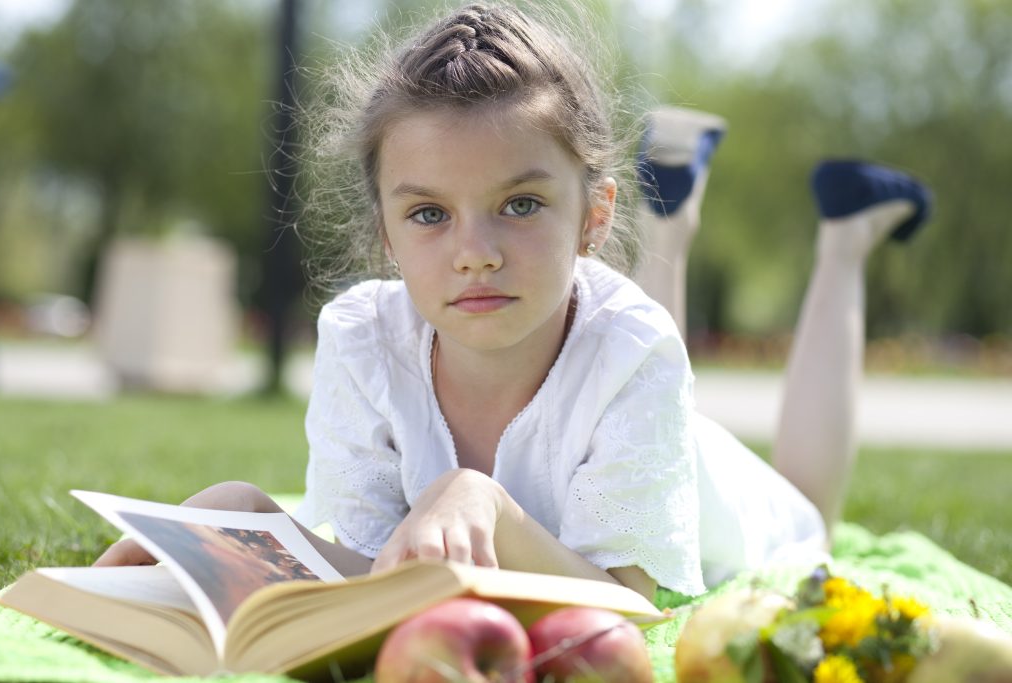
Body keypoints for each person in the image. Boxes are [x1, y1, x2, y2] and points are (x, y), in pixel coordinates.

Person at [95, 2, 931, 602]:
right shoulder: (362, 338)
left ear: (594, 216)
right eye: (429, 214)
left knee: (811, 518)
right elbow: (378, 575)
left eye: (520, 203)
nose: (476, 252)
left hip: (728, 496)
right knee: (624, 335)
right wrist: (254, 524)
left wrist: (487, 501)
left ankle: (844, 237)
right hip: (620, 392)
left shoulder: (634, 345)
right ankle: (670, 218)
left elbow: (627, 601)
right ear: (385, 233)